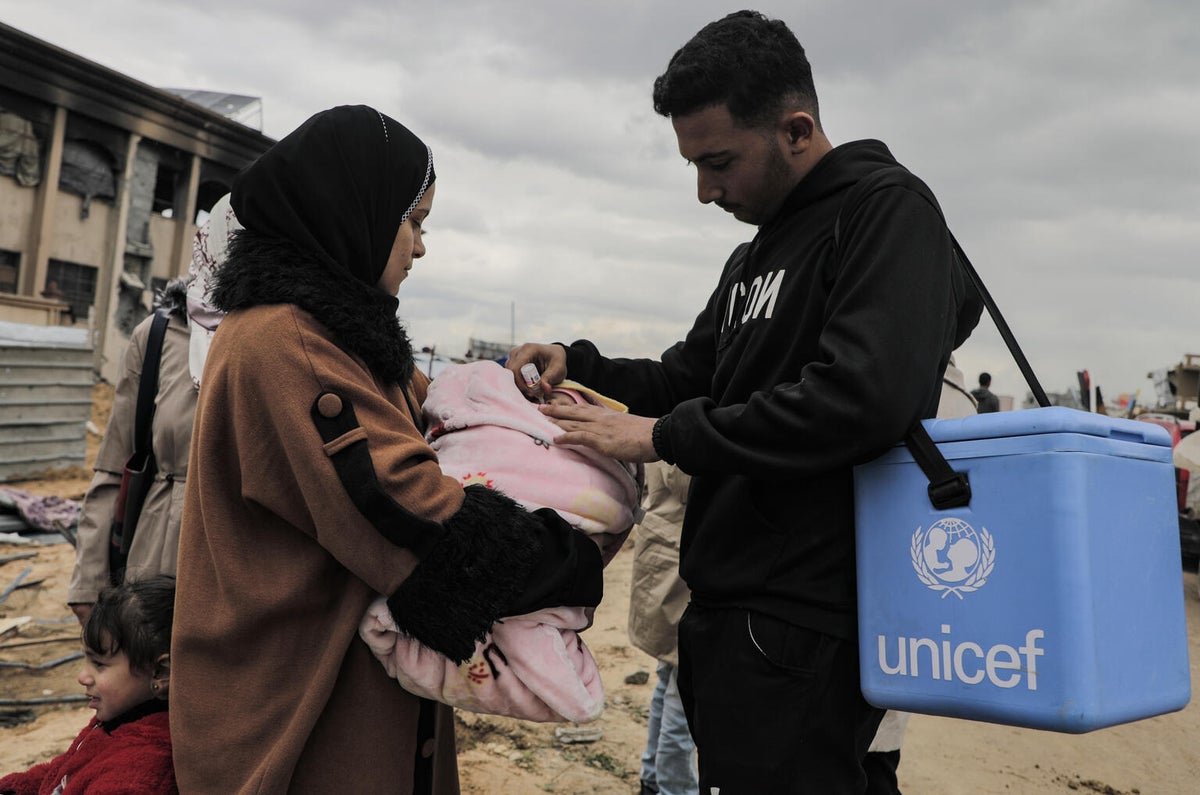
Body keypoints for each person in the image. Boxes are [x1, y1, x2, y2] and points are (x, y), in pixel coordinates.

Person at [506, 11, 982, 792]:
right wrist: (579, 362)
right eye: (693, 165)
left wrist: (661, 437)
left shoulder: (885, 212)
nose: (704, 190)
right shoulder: (754, 254)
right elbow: (689, 374)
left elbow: (861, 398)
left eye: (719, 161)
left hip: (809, 615)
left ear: (796, 129)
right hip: (726, 611)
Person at [170, 105, 602, 794]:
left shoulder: (348, 340)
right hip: (296, 721)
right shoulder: (288, 343)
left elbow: (446, 419)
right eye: (414, 221)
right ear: (353, 211)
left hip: (349, 702)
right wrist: (570, 555)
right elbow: (407, 514)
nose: (421, 247)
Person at [360, 359, 641, 723]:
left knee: (523, 621)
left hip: (472, 535)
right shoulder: (320, 354)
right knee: (530, 626)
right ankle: (563, 689)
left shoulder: (397, 372)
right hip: (488, 526)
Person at [66, 195, 239, 627]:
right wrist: (89, 585)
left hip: (231, 575)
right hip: (150, 562)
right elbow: (113, 465)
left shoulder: (284, 346)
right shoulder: (160, 334)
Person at [863, 357, 977, 795]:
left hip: (834, 602)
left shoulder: (864, 373)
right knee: (877, 757)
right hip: (908, 613)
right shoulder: (962, 401)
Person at [0, 576, 177, 795]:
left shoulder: (137, 772)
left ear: (160, 673)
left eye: (99, 664)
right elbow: (62, 772)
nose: (83, 676)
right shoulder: (117, 722)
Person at [628, 461, 698, 795]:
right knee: (683, 692)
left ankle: (653, 779)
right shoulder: (685, 424)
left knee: (669, 679)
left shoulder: (667, 413)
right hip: (680, 561)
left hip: (668, 552)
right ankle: (674, 787)